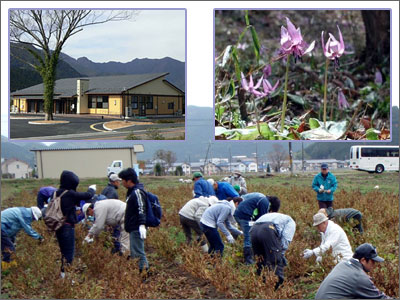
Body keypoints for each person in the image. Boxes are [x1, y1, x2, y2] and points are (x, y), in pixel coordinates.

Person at [55, 170, 96, 278]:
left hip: (58, 226)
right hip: (67, 227)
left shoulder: (56, 192)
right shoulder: (70, 193)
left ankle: (63, 275)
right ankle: (66, 279)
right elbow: (88, 195)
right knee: (69, 253)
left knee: (63, 252)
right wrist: (92, 189)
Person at [315, 243, 390, 299]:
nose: (374, 264)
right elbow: (380, 298)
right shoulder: (359, 276)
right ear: (363, 260)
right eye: (372, 261)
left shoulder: (342, 264)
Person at [250, 212, 296, 290]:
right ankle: (278, 287)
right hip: (267, 229)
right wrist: (280, 254)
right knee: (275, 260)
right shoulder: (291, 222)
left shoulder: (277, 216)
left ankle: (261, 285)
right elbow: (286, 240)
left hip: (253, 230)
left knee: (260, 259)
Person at [118, 168, 149, 273]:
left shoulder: (137, 192)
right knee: (136, 252)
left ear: (129, 180)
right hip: (133, 227)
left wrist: (142, 224)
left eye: (123, 180)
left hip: (137, 227)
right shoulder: (132, 192)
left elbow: (141, 208)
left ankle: (144, 273)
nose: (122, 182)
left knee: (139, 252)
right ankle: (142, 273)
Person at [233, 193, 274, 264]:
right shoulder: (265, 202)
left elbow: (258, 216)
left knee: (250, 234)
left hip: (240, 214)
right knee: (248, 236)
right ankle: (248, 261)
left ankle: (252, 256)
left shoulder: (262, 199)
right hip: (244, 216)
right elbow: (263, 218)